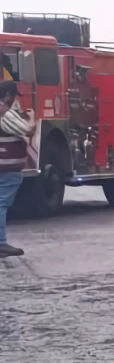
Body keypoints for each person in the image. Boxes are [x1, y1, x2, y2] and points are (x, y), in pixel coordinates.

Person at [0, 81, 32, 258]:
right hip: (6, 166)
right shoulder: (4, 113)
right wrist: (32, 118)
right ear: (7, 95)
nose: (14, 100)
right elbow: (28, 131)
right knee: (1, 203)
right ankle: (1, 243)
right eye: (13, 96)